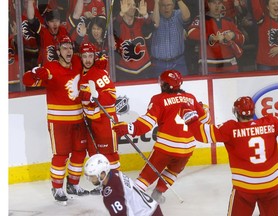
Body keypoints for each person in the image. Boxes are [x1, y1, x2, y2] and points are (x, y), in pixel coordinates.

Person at [112, 69, 211, 204]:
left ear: (165, 85)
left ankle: (132, 203)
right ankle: (157, 194)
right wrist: (205, 109)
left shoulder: (159, 99)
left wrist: (129, 128)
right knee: (172, 172)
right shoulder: (191, 98)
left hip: (166, 147)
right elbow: (206, 120)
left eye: (162, 82)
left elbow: (147, 123)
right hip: (187, 149)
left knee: (146, 176)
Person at [181, 96, 278, 215]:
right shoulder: (272, 122)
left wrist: (188, 114)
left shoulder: (230, 128)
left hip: (245, 189)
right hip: (272, 186)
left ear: (236, 112)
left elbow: (201, 134)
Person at [22, 35, 89, 204]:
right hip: (58, 122)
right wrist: (36, 73)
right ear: (58, 51)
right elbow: (26, 80)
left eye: (70, 47)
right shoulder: (50, 68)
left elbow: (92, 67)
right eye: (64, 48)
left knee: (80, 152)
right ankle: (57, 187)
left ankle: (73, 184)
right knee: (61, 155)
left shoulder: (76, 63)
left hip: (78, 120)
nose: (69, 50)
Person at [78, 42, 120, 193]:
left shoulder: (99, 74)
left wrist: (97, 96)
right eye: (84, 56)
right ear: (80, 57)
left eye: (90, 56)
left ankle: (116, 184)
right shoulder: (81, 74)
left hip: (104, 120)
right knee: (95, 154)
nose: (88, 59)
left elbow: (112, 97)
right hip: (90, 121)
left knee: (109, 154)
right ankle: (104, 184)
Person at [84, 154, 164, 216]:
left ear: (102, 173)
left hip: (147, 213)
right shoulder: (114, 173)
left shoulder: (112, 195)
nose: (90, 180)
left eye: (92, 176)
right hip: (151, 208)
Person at [187, 0, 245, 74]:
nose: (217, 6)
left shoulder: (228, 21)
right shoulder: (200, 19)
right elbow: (191, 33)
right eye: (214, 3)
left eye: (219, 3)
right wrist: (212, 37)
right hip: (208, 68)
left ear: (222, 5)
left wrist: (233, 35)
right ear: (209, 4)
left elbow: (242, 39)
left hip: (230, 67)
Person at [26, 0, 84, 66]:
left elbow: (76, 15)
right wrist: (30, 2)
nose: (55, 24)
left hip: (63, 69)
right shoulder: (43, 32)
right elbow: (31, 19)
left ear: (60, 22)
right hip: (46, 69)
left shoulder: (63, 30)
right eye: (52, 21)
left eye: (57, 21)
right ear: (47, 23)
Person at [113, 0, 154, 81]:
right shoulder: (118, 24)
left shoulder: (141, 21)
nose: (133, 7)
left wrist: (145, 15)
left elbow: (152, 27)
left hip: (144, 69)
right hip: (124, 71)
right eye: (129, 5)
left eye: (134, 5)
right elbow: (113, 29)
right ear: (122, 6)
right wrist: (121, 14)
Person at [150, 0, 191, 77]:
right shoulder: (154, 15)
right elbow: (155, 23)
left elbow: (187, 16)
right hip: (158, 64)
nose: (166, 8)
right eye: (163, 5)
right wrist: (156, 2)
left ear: (173, 6)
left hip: (178, 62)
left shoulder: (178, 14)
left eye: (169, 5)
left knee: (183, 86)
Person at [251, 0, 278, 71]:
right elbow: (256, 7)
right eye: (273, 3)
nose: (276, 5)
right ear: (268, 7)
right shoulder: (262, 20)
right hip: (265, 64)